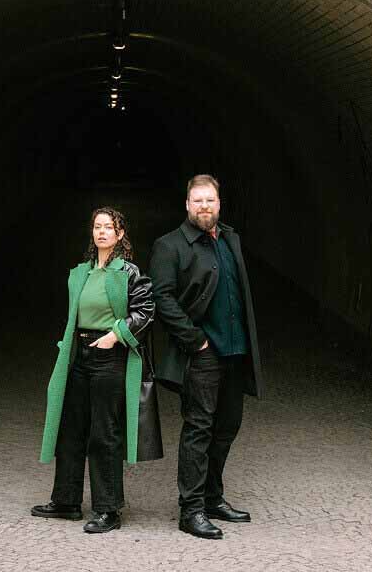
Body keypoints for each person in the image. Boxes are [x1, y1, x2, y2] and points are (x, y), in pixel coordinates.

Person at [149, 174, 262, 540]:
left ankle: (213, 498)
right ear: (186, 205)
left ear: (219, 203)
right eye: (197, 201)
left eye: (210, 200)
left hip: (235, 351)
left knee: (227, 427)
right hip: (202, 353)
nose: (204, 206)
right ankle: (191, 509)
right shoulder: (170, 246)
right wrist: (195, 341)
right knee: (199, 428)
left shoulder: (231, 239)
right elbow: (162, 299)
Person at [32, 207, 158, 534]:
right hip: (81, 355)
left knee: (105, 433)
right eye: (97, 227)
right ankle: (67, 500)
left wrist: (116, 334)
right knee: (71, 428)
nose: (101, 232)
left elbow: (145, 309)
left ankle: (108, 509)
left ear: (119, 234)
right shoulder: (82, 272)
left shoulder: (127, 272)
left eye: (108, 227)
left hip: (109, 357)